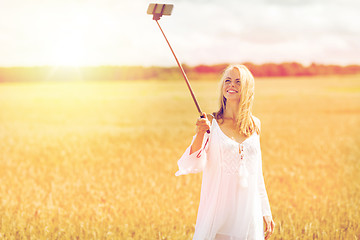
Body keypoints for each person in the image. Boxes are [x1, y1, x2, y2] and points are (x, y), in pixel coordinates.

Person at [175, 64, 275, 240]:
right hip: (218, 213)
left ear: (247, 88)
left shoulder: (255, 124)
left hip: (248, 213)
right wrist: (200, 133)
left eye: (238, 82)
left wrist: (265, 210)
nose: (231, 85)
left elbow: (256, 173)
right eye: (227, 81)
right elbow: (190, 163)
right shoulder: (211, 123)